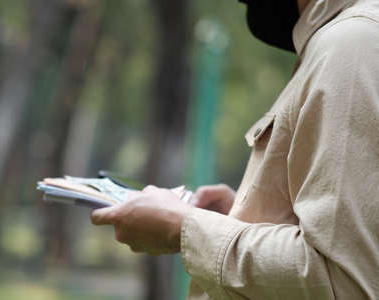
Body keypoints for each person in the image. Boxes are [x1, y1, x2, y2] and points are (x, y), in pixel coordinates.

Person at [91, 0, 379, 298]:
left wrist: (184, 227)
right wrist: (246, 215)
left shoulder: (353, 43)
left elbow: (342, 283)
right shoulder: (346, 37)